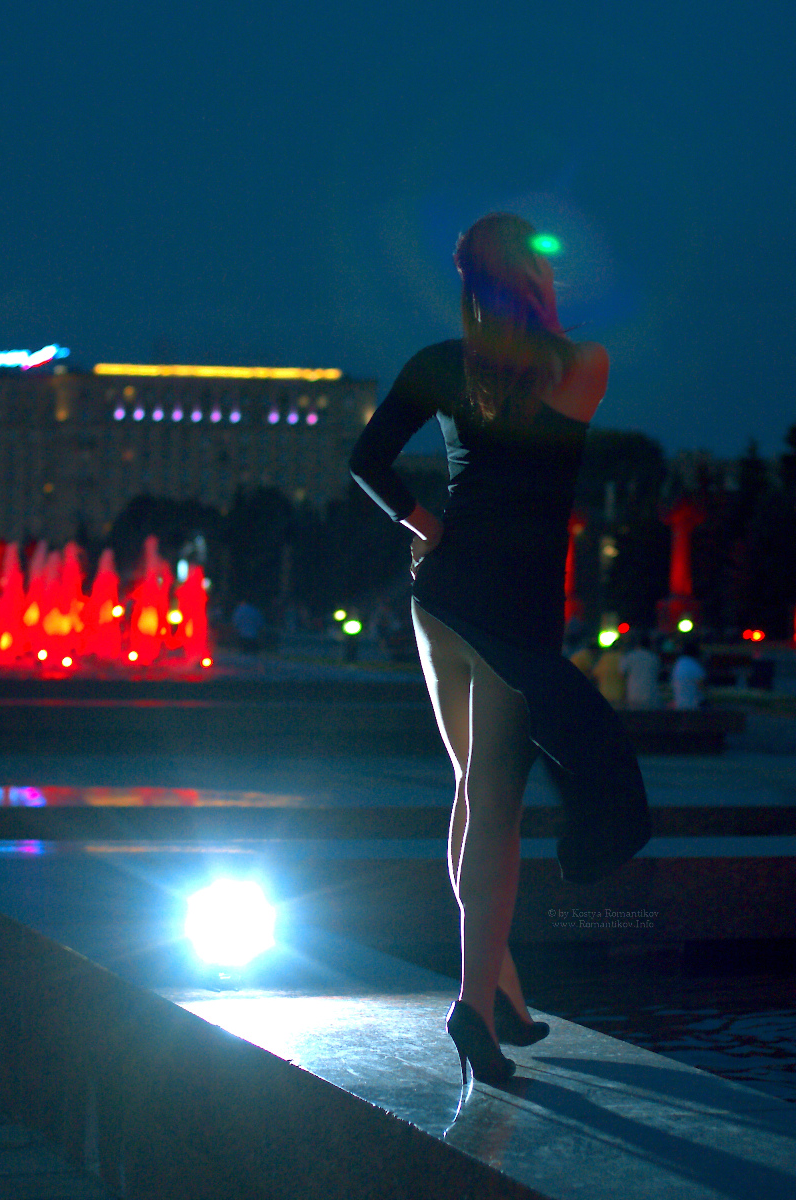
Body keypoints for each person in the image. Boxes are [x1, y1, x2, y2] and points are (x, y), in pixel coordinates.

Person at [349, 213, 650, 1089]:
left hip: (439, 592)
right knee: (497, 807)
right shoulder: (582, 365)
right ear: (536, 278)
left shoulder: (443, 363)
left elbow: (368, 458)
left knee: (471, 795)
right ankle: (473, 1007)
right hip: (514, 606)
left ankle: (502, 991)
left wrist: (424, 521)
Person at [620, 632, 661, 709]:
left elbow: (622, 673)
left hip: (633, 694)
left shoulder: (629, 656)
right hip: (651, 694)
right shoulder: (654, 657)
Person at [671, 636, 706, 709]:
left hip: (679, 705)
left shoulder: (678, 663)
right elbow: (702, 686)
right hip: (692, 706)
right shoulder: (694, 665)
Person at [591, 639, 626, 705]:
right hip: (619, 695)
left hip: (604, 694)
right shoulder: (622, 658)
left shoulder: (604, 658)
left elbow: (595, 674)